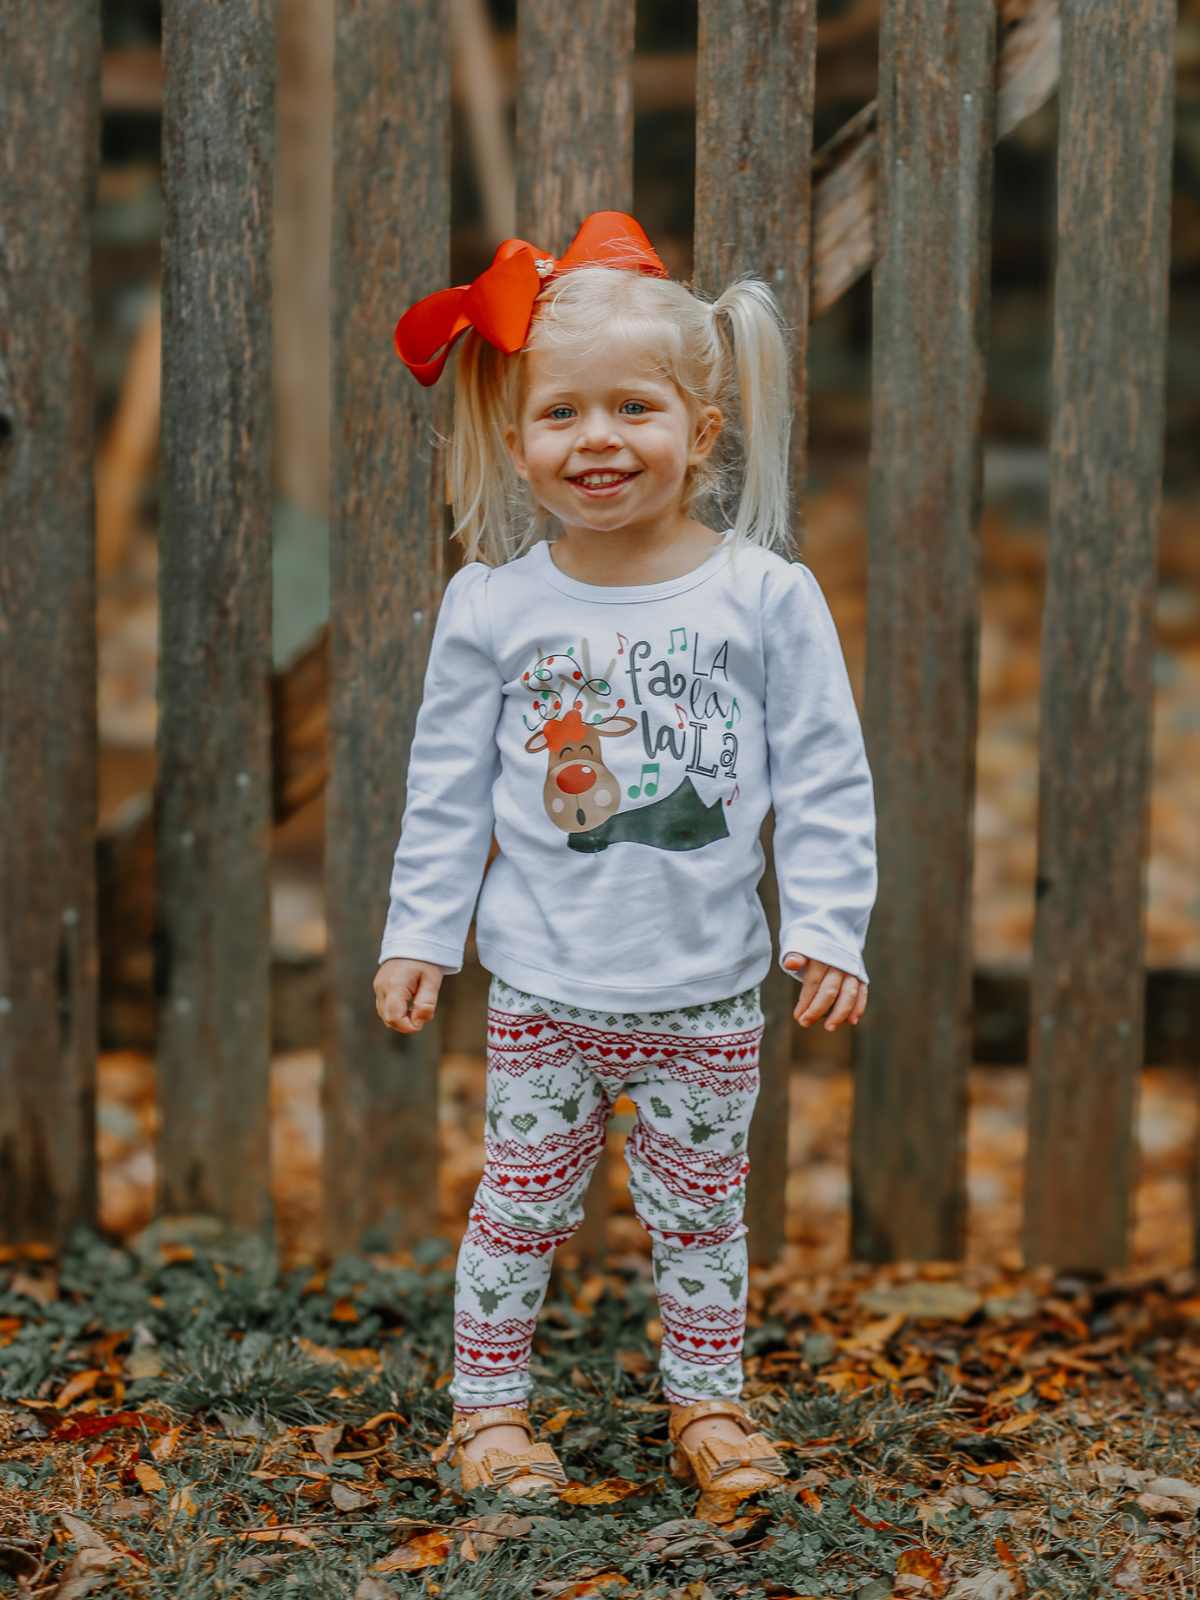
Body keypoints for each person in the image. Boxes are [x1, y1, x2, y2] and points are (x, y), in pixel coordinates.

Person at [373, 212, 877, 1501]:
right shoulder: (494, 604)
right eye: (562, 414)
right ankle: (487, 1412)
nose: (598, 439)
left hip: (708, 990)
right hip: (546, 989)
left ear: (701, 432)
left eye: (635, 408)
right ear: (515, 436)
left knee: (703, 1214)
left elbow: (824, 774)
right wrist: (420, 935)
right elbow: (446, 789)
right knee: (518, 1206)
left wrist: (829, 922)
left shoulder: (763, 598)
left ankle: (706, 1407)